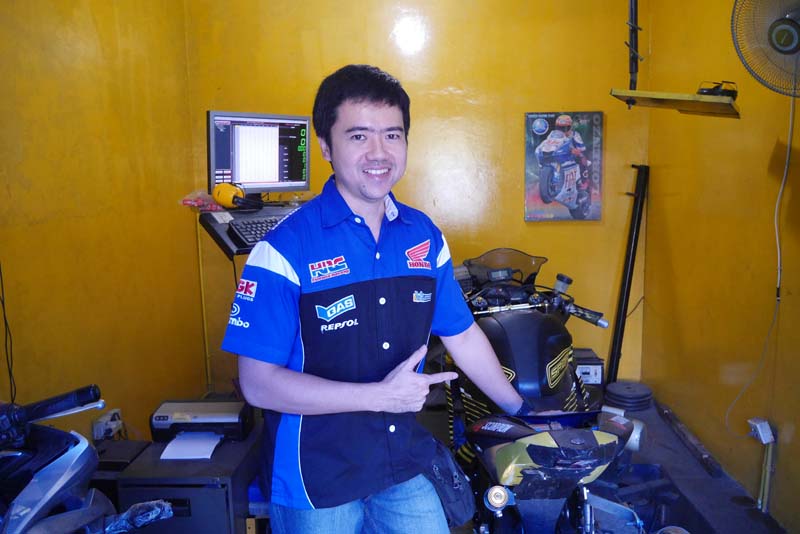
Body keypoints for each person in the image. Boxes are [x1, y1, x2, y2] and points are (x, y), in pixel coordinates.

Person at [221, 64, 528, 534]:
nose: (379, 153)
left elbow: (463, 335)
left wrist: (522, 412)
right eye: (359, 136)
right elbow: (259, 385)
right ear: (326, 146)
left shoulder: (424, 237)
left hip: (399, 461)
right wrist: (379, 396)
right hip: (316, 478)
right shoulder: (283, 250)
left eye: (393, 135)